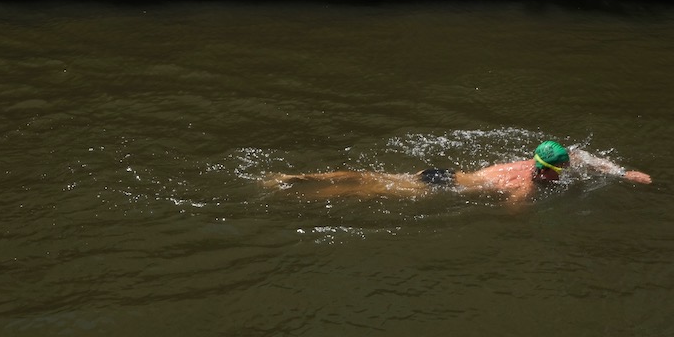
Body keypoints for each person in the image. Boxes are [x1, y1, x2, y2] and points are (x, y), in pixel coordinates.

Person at [266, 140, 651, 201]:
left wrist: (622, 172)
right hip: (443, 189)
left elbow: (581, 154)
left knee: (370, 175)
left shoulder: (525, 163)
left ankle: (298, 178)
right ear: (551, 170)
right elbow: (514, 213)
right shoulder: (528, 183)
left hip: (445, 172)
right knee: (370, 189)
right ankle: (304, 189)